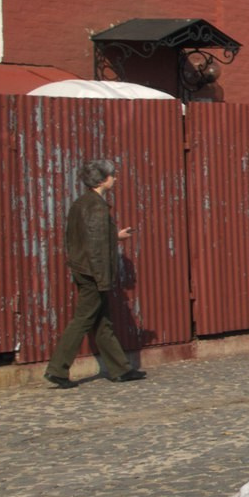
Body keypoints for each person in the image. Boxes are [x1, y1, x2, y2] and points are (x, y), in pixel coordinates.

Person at [44, 159, 142, 388]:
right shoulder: (97, 207)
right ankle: (57, 369)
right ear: (101, 180)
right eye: (112, 175)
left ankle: (120, 369)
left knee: (102, 321)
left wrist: (115, 235)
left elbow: (85, 238)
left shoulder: (81, 203)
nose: (115, 178)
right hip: (93, 273)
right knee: (84, 320)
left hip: (83, 269)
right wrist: (102, 279)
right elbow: (95, 248)